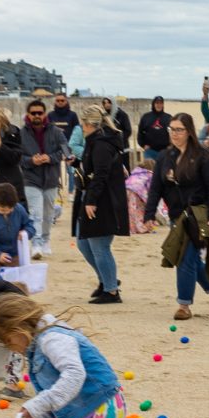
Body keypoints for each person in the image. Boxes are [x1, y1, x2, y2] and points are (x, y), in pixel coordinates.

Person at [146, 112, 209, 320]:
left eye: (179, 129)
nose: (174, 133)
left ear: (189, 131)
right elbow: (155, 187)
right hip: (176, 217)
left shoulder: (203, 156)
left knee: (185, 258)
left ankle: (184, 305)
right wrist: (149, 213)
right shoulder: (165, 156)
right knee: (191, 260)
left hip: (198, 217)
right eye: (171, 129)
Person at [72, 104, 128, 303]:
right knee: (83, 242)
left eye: (82, 124)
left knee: (99, 245)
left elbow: (100, 174)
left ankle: (111, 290)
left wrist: (92, 201)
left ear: (88, 124)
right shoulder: (97, 141)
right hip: (94, 197)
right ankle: (107, 280)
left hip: (103, 201)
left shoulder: (102, 143)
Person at [19, 97, 69, 258]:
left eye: (40, 113)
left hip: (51, 178)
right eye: (33, 113)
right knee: (35, 213)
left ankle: (46, 240)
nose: (37, 116)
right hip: (30, 178)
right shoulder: (21, 133)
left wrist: (50, 158)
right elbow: (17, 156)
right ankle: (36, 244)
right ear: (28, 114)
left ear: (44, 114)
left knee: (48, 214)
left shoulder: (55, 131)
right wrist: (31, 160)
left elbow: (65, 150)